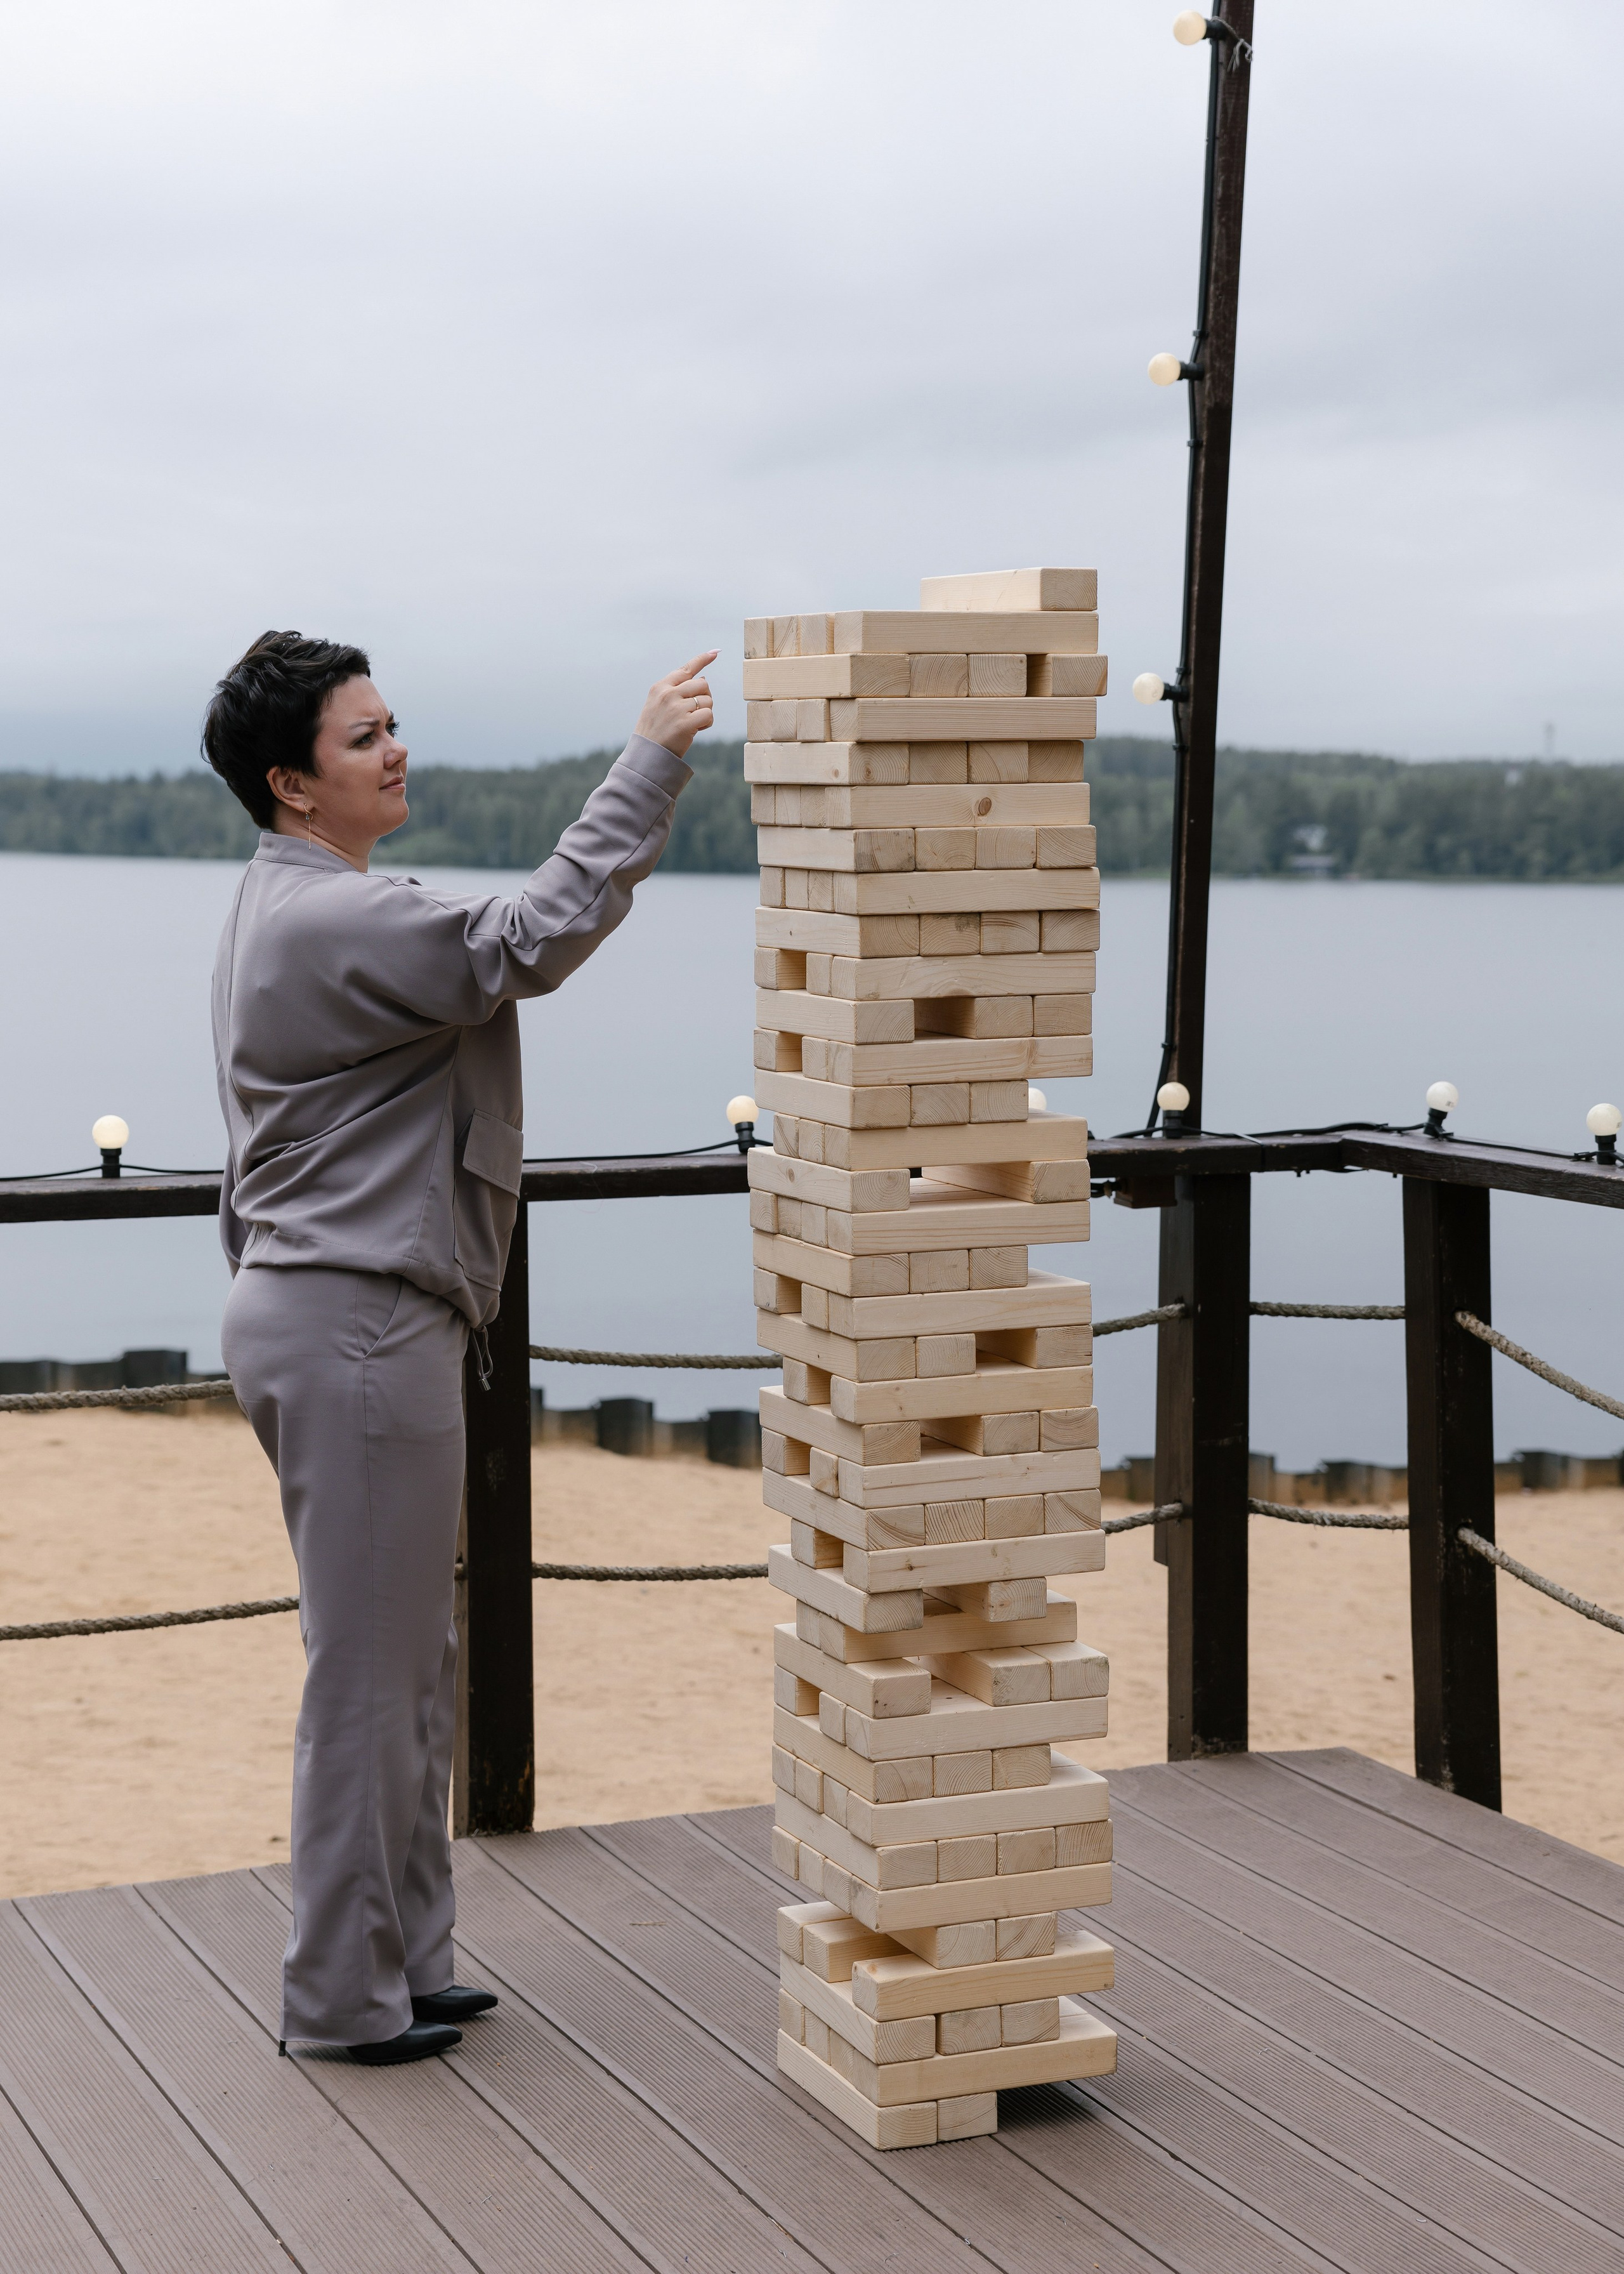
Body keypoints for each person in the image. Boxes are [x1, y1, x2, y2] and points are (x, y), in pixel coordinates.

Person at [204, 630, 713, 2065]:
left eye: (390, 725)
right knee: (368, 1679)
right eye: (362, 738)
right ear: (292, 784)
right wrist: (652, 756)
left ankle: (408, 1957)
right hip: (355, 1321)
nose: (395, 750)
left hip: (332, 1310)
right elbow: (528, 937)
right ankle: (339, 1998)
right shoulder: (327, 921)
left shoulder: (299, 900)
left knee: (407, 1662)